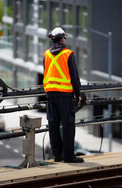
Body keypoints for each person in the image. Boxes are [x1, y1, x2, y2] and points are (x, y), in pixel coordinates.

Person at [43, 27, 84, 163]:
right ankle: (68, 156)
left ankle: (57, 155)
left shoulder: (46, 54)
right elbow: (74, 76)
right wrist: (78, 94)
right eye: (65, 37)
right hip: (65, 95)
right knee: (68, 126)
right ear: (62, 39)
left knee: (53, 125)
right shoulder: (68, 54)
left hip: (50, 95)